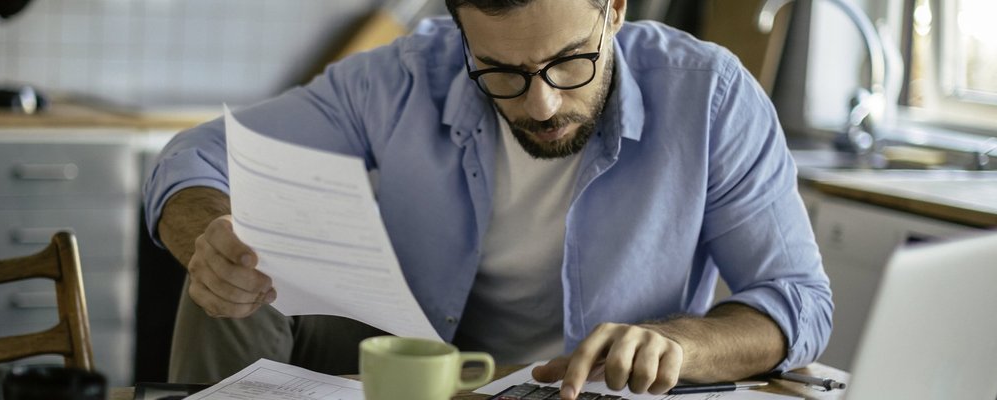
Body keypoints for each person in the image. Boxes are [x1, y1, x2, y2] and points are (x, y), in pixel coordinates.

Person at [143, 0, 833, 398]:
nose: (541, 103)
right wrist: (209, 234)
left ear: (615, 8)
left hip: (587, 389)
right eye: (500, 70)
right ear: (462, 34)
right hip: (416, 363)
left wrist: (676, 344)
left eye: (569, 61)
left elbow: (796, 300)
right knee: (229, 263)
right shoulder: (405, 75)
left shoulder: (710, 94)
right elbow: (195, 154)